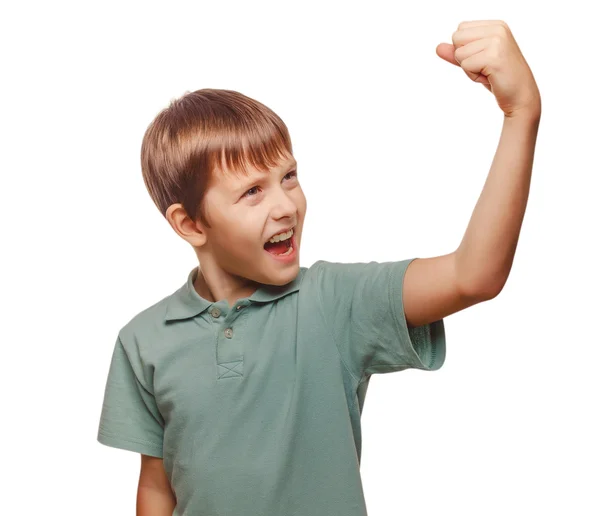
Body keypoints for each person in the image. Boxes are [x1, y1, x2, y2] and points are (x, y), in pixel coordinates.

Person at [97, 21, 541, 516]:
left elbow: (473, 275)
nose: (285, 205)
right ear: (190, 223)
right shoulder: (144, 341)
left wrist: (520, 114)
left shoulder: (335, 303)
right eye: (252, 192)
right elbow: (157, 487)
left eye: (288, 177)